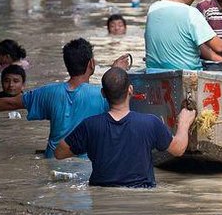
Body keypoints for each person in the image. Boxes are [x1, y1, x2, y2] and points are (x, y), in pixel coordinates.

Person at [0, 38, 129, 157]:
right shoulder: (102, 94)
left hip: (53, 160)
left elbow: (10, 102)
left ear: (67, 65)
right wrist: (116, 72)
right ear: (91, 64)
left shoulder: (48, 92)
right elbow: (120, 102)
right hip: (86, 164)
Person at [54, 67, 196, 188]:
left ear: (103, 94)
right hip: (140, 197)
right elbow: (178, 149)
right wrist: (184, 122)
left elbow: (59, 153)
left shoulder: (90, 126)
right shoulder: (150, 123)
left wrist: (89, 142)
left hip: (102, 204)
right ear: (130, 90)